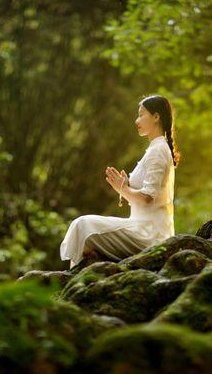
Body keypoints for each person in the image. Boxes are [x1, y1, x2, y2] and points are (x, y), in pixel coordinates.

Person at [59, 95, 181, 269]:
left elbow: (147, 197)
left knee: (83, 226)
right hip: (141, 227)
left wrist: (122, 188)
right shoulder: (155, 149)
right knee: (84, 230)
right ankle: (81, 277)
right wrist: (127, 185)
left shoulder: (158, 150)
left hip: (150, 233)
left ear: (156, 117)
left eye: (141, 115)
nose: (136, 120)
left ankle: (73, 282)